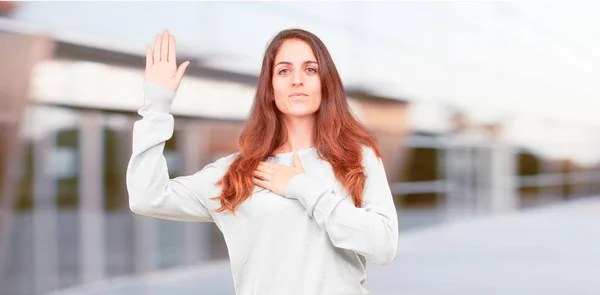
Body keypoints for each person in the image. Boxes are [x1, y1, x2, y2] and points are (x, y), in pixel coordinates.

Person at [127, 28, 399, 295]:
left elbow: (384, 246)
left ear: (325, 83)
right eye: (283, 70)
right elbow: (147, 197)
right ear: (269, 89)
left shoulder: (356, 158)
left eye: (310, 69)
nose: (296, 80)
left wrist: (303, 187)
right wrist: (156, 107)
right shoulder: (237, 172)